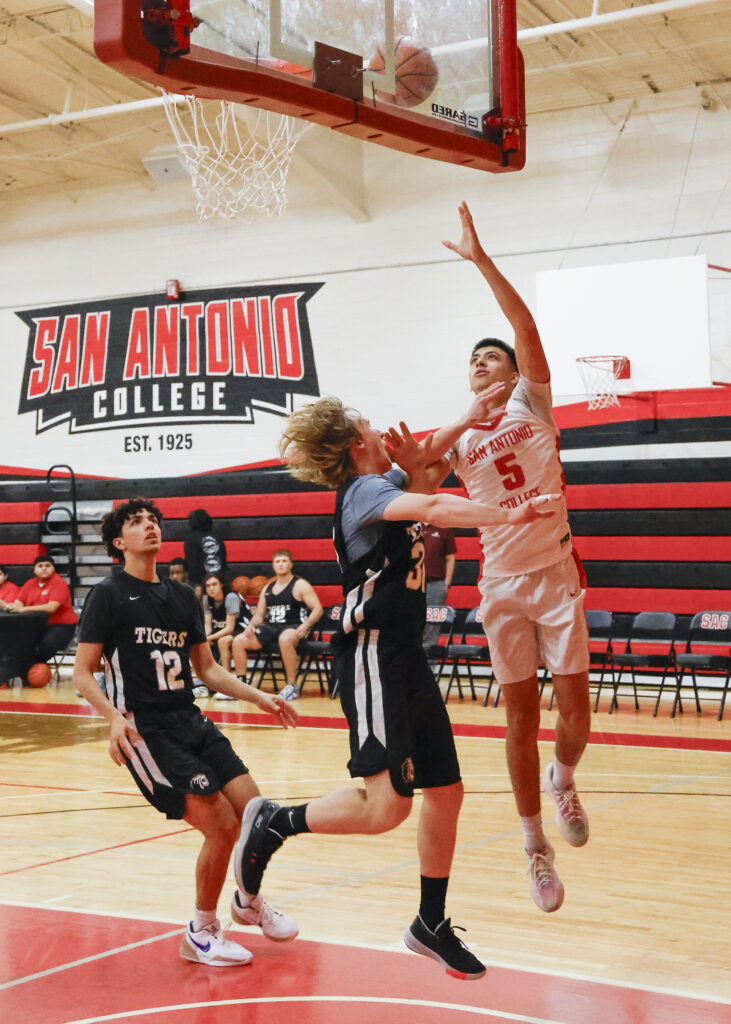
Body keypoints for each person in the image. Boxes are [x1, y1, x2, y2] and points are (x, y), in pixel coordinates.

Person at [233, 397, 560, 982]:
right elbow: (432, 497)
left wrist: (469, 416)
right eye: (367, 424)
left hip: (405, 655)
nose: (379, 427)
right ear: (357, 444)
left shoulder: (380, 479)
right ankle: (275, 823)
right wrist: (512, 514)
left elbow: (426, 460)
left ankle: (429, 923)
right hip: (373, 652)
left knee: (447, 791)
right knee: (387, 808)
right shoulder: (362, 494)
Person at [429, 201, 592, 914]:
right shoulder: (459, 437)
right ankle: (534, 846)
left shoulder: (532, 401)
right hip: (500, 584)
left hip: (555, 572)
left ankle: (563, 777)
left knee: (576, 717)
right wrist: (453, 424)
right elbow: (409, 483)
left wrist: (479, 260)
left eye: (488, 355)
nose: (480, 363)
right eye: (473, 360)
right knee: (517, 719)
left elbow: (525, 328)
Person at [73, 498, 299, 967]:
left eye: (152, 519)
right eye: (136, 522)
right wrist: (114, 717)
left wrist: (261, 697)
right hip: (147, 731)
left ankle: (248, 901)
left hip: (189, 718)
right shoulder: (108, 594)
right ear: (120, 543)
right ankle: (201, 930)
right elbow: (82, 673)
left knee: (257, 812)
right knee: (220, 826)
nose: (149, 526)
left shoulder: (181, 595)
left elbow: (208, 669)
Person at [231, 551, 323, 702]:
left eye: (284, 561)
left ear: (290, 564)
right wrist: (251, 626)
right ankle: (241, 684)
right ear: (273, 565)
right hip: (272, 628)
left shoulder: (300, 584)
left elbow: (318, 608)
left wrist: (306, 625)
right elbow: (260, 615)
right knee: (239, 640)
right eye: (277, 561)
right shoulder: (268, 588)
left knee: (285, 638)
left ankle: (292, 686)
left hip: (294, 627)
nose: (280, 564)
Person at [1, 555, 78, 671]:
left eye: (47, 566)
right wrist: (12, 606)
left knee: (46, 645)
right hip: (38, 625)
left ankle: (30, 669)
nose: (44, 568)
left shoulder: (59, 583)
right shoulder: (30, 583)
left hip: (62, 626)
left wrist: (23, 609)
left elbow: (51, 607)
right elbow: (18, 602)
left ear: (53, 569)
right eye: (40, 566)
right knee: (16, 641)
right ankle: (20, 670)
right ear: (34, 569)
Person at [201, 573, 243, 701]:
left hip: (240, 629)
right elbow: (208, 625)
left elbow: (230, 628)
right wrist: (205, 637)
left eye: (214, 584)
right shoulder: (206, 599)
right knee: (202, 642)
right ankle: (205, 683)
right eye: (208, 585)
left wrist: (211, 637)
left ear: (221, 585)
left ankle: (227, 686)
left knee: (223, 641)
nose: (211, 588)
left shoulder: (231, 597)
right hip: (219, 631)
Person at [421, 524, 457, 661]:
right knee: (413, 624)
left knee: (431, 627)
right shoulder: (412, 526)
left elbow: (450, 558)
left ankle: (430, 668)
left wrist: (446, 583)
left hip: (435, 584)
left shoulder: (444, 528)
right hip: (413, 584)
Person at [184, 509, 227, 590]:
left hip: (201, 583)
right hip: (219, 581)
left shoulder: (191, 538)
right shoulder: (217, 536)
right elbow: (223, 558)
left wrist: (193, 582)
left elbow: (192, 563)